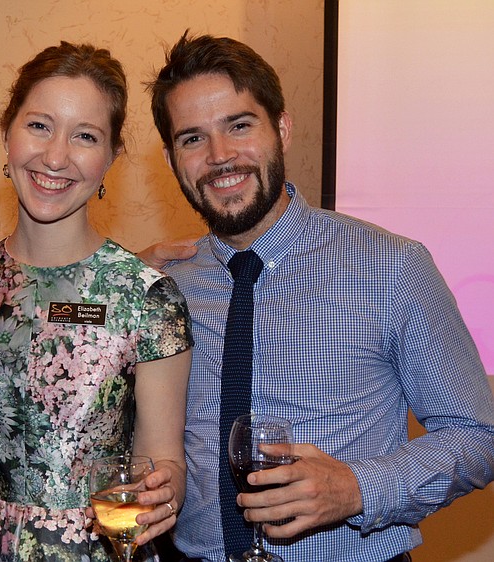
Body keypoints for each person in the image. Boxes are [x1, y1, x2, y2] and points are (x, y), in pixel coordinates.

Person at [142, 32, 494, 561]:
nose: (220, 156)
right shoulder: (168, 284)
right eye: (192, 139)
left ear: (281, 128)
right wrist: (119, 281)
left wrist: (358, 488)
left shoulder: (390, 266)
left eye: (239, 125)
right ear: (172, 159)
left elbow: (477, 434)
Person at [0, 42, 193, 562]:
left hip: (100, 546)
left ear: (111, 157)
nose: (56, 156)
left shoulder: (147, 297)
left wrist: (164, 491)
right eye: (39, 125)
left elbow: (161, 460)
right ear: (6, 132)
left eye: (85, 136)